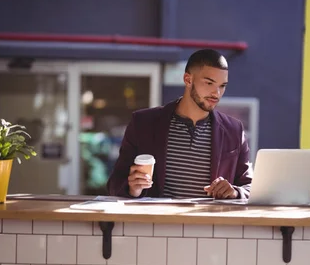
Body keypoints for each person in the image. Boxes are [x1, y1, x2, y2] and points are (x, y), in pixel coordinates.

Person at [107, 49, 253, 199]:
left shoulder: (234, 131)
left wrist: (235, 192)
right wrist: (133, 189)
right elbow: (114, 185)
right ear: (188, 80)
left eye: (222, 86)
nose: (217, 93)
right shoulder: (143, 123)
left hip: (209, 221)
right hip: (155, 221)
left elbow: (251, 187)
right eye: (209, 83)